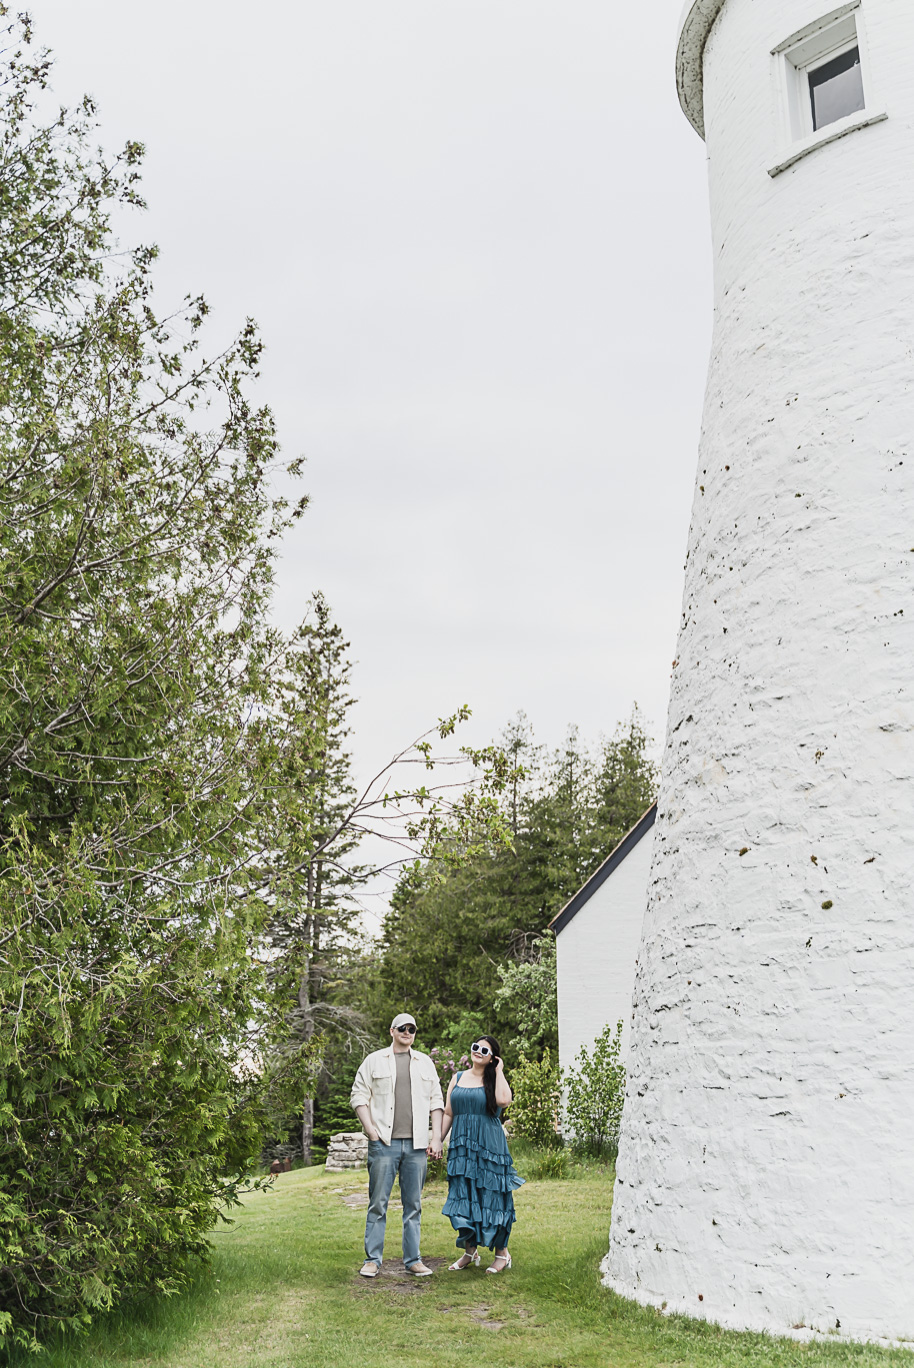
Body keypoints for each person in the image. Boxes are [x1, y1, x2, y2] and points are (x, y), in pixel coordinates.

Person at [350, 1012, 444, 1278]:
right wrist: (371, 1130)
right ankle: (372, 1260)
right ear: (391, 1030)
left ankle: (413, 1260)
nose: (407, 1032)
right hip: (384, 1144)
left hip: (416, 1146)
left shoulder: (425, 1063)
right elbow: (358, 1095)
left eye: (412, 1028)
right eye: (402, 1027)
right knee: (378, 1203)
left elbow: (437, 1102)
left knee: (413, 1205)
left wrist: (436, 1137)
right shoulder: (374, 1061)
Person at [441, 1034, 523, 1273]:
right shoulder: (457, 1078)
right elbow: (448, 1113)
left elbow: (504, 1100)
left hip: (489, 1146)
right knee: (463, 1194)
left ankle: (502, 1254)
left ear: (492, 1058)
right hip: (462, 1146)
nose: (478, 1052)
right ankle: (470, 1251)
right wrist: (438, 1140)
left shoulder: (494, 1078)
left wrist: (499, 1071)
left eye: (485, 1051)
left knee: (493, 1196)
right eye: (476, 1047)